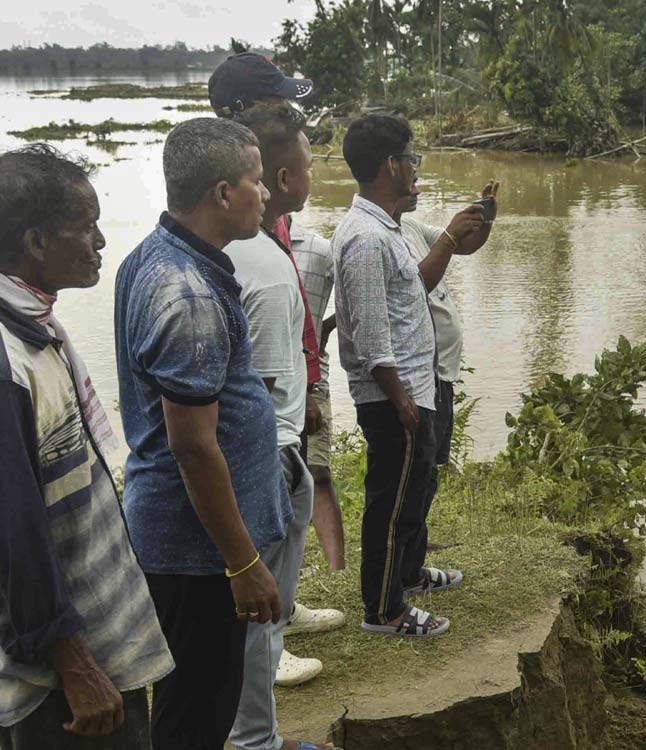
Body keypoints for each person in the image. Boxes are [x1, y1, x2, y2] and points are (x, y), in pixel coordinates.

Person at [114, 118, 288, 750]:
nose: (265, 195)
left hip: (189, 538)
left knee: (192, 700)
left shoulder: (157, 257)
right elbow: (191, 444)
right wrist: (241, 563)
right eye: (256, 182)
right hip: (199, 551)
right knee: (198, 712)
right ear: (222, 194)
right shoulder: (186, 294)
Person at [0, 145, 173, 749]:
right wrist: (73, 664)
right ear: (37, 243)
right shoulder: (11, 361)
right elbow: (13, 534)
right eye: (85, 227)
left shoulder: (39, 327)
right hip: (62, 678)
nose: (100, 240)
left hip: (96, 644)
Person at [331, 115, 491, 638]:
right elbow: (373, 337)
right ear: (390, 166)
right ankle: (383, 611)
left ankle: (407, 575)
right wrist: (400, 400)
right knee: (390, 504)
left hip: (414, 390)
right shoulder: (364, 238)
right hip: (392, 397)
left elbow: (410, 292)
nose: (416, 169)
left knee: (412, 494)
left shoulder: (387, 229)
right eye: (411, 159)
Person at [210, 49, 343, 657]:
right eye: (277, 102)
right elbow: (253, 368)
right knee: (262, 513)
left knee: (297, 499)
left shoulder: (273, 215)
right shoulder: (234, 222)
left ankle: (281, 607)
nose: (290, 111)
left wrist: (309, 378)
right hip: (264, 410)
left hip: (292, 387)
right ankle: (266, 634)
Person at [397, 181, 497, 574]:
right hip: (417, 376)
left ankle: (413, 565)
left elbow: (464, 246)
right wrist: (453, 234)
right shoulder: (377, 237)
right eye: (410, 173)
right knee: (413, 479)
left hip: (441, 376)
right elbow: (412, 288)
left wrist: (484, 217)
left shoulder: (410, 227)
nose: (417, 185)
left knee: (428, 474)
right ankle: (401, 574)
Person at [289, 219, 345, 573]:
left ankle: (336, 568)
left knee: (319, 472)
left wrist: (327, 326)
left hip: (313, 381)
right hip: (266, 386)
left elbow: (359, 289)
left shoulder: (319, 249)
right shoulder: (239, 242)